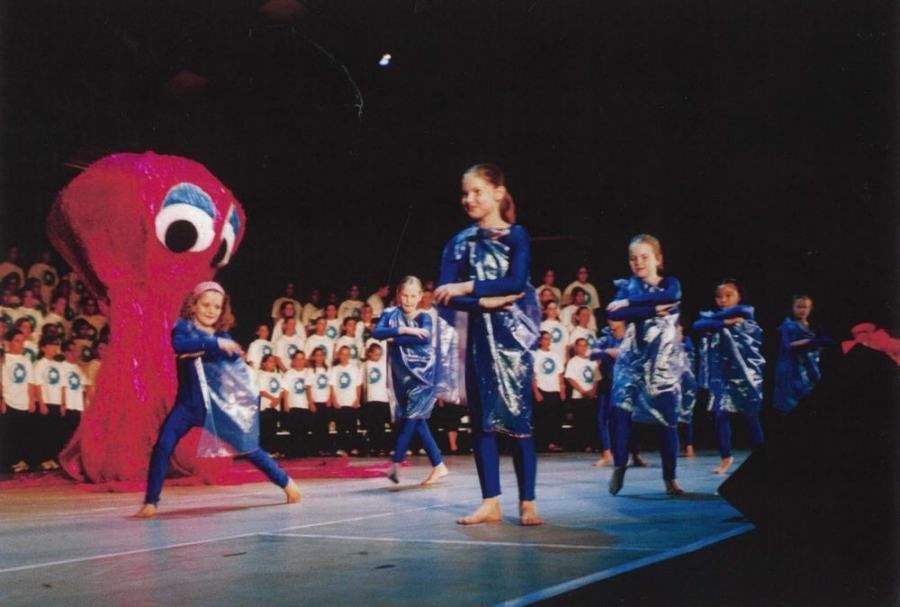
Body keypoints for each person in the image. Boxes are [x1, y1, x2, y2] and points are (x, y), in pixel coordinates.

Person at [435, 163, 543, 526]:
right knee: (481, 422)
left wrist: (467, 287)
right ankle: (490, 501)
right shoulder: (459, 242)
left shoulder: (516, 236)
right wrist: (482, 302)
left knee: (519, 420)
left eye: (477, 191)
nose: (469, 199)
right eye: (465, 193)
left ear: (498, 192)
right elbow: (441, 295)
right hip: (479, 341)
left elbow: (514, 282)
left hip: (512, 343)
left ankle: (527, 501)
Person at [135, 282, 300, 517]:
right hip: (186, 406)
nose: (211, 310)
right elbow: (178, 345)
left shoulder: (223, 336)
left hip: (215, 409)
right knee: (163, 445)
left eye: (216, 307)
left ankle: (287, 484)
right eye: (206, 305)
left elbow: (229, 363)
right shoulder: (183, 328)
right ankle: (151, 501)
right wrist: (213, 345)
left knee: (248, 446)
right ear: (193, 305)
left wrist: (218, 347)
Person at [607, 234, 686, 496]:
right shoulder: (628, 286)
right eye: (633, 258)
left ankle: (670, 479)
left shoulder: (669, 284)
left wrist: (631, 304)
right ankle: (619, 465)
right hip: (632, 361)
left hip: (662, 364)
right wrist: (652, 309)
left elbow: (673, 295)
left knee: (668, 421)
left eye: (644, 257)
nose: (638, 263)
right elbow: (615, 313)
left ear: (658, 259)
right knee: (620, 413)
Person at [374, 276, 449, 485]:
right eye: (405, 295)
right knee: (417, 421)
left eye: (413, 296)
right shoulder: (390, 314)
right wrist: (404, 330)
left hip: (423, 374)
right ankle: (439, 465)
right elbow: (376, 332)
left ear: (420, 296)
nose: (408, 300)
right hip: (402, 375)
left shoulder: (424, 316)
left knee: (411, 418)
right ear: (399, 294)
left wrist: (393, 338)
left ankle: (395, 464)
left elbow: (424, 337)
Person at [693, 278, 765, 475]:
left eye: (728, 295)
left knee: (751, 416)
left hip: (746, 374)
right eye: (719, 297)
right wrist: (724, 322)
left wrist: (719, 322)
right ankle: (726, 457)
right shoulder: (713, 319)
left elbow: (744, 316)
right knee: (720, 414)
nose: (723, 300)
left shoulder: (746, 314)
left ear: (739, 296)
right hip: (722, 376)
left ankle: (762, 456)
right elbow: (698, 324)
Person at [773, 294, 831, 415]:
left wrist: (809, 341)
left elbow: (828, 340)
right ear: (793, 308)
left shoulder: (815, 326)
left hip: (809, 366)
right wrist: (807, 342)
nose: (802, 310)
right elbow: (786, 345)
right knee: (790, 397)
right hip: (791, 366)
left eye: (805, 307)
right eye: (798, 307)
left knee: (809, 398)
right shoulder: (788, 325)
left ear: (810, 308)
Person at [1, 328, 40, 472]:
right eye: (17, 341)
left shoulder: (26, 360)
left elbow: (30, 382)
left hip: (24, 402)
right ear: (9, 342)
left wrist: (31, 400)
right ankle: (7, 462)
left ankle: (20, 461)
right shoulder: (3, 359)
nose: (21, 344)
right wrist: (2, 400)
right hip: (9, 401)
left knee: (22, 434)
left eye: (22, 341)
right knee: (7, 435)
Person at [589, 320, 625, 467]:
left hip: (625, 383)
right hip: (608, 382)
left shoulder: (630, 336)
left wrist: (621, 354)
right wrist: (607, 352)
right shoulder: (606, 337)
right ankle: (606, 453)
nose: (610, 321)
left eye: (615, 318)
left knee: (625, 419)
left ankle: (634, 453)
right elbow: (592, 354)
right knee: (602, 418)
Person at [33, 335, 66, 470]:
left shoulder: (59, 365)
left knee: (55, 433)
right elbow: (38, 385)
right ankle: (43, 458)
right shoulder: (39, 364)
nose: (54, 348)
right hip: (46, 401)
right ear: (43, 348)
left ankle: (52, 457)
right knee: (44, 432)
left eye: (55, 346)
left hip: (57, 402)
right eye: (51, 345)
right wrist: (41, 402)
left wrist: (63, 403)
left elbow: (63, 385)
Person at [564, 337, 600, 451]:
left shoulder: (592, 360)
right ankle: (583, 445)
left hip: (592, 395)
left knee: (593, 421)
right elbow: (570, 379)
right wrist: (583, 391)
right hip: (579, 396)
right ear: (576, 347)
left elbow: (597, 378)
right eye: (580, 345)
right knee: (581, 422)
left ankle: (593, 444)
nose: (583, 348)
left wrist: (593, 391)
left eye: (585, 345)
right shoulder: (573, 361)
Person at [533, 331, 565, 452]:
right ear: (540, 340)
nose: (548, 341)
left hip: (554, 389)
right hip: (542, 388)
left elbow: (560, 373)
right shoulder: (536, 355)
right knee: (541, 418)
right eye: (545, 339)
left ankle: (553, 443)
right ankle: (541, 444)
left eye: (549, 339)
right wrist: (536, 391)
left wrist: (562, 389)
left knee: (555, 418)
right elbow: (534, 375)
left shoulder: (555, 356)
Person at [328, 345, 362, 455]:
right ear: (339, 355)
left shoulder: (354, 369)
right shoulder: (335, 369)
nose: (344, 356)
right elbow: (332, 386)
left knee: (352, 427)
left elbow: (358, 386)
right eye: (342, 354)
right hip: (340, 402)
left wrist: (357, 399)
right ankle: (341, 448)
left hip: (351, 402)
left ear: (349, 356)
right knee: (341, 427)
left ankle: (353, 448)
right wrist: (334, 400)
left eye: (347, 354)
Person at [283, 351, 314, 457]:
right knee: (294, 430)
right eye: (297, 359)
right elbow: (285, 390)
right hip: (293, 404)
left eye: (302, 359)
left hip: (304, 404)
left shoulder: (308, 372)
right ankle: (294, 452)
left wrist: (310, 402)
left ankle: (304, 452)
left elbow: (309, 388)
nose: (299, 361)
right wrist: (286, 404)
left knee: (304, 430)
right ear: (293, 361)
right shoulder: (289, 373)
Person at [361, 342, 391, 456]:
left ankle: (382, 447)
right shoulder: (365, 365)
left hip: (383, 398)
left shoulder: (384, 364)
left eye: (379, 354)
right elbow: (364, 382)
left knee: (381, 425)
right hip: (371, 398)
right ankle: (373, 447)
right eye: (375, 354)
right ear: (369, 353)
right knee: (372, 425)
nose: (377, 357)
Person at [256, 353, 286, 456]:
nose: (272, 363)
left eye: (273, 361)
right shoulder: (261, 375)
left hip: (276, 406)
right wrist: (272, 398)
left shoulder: (278, 375)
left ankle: (273, 450)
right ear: (264, 363)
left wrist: (278, 400)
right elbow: (261, 391)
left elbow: (282, 389)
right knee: (265, 430)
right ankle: (265, 451)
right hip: (266, 406)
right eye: (269, 361)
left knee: (273, 429)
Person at [305, 347, 333, 456]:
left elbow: (331, 385)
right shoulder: (310, 370)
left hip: (325, 401)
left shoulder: (328, 369)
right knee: (316, 427)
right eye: (317, 355)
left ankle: (325, 449)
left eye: (321, 355)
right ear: (313, 357)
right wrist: (310, 402)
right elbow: (308, 387)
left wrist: (330, 398)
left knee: (325, 427)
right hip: (315, 401)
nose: (319, 357)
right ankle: (316, 450)